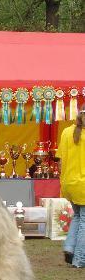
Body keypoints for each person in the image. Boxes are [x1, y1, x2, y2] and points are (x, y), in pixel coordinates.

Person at [56, 107, 85, 268]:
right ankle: (80, 259)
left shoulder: (66, 132)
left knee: (78, 216)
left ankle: (69, 248)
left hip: (69, 183)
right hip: (83, 185)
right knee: (84, 221)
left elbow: (59, 160)